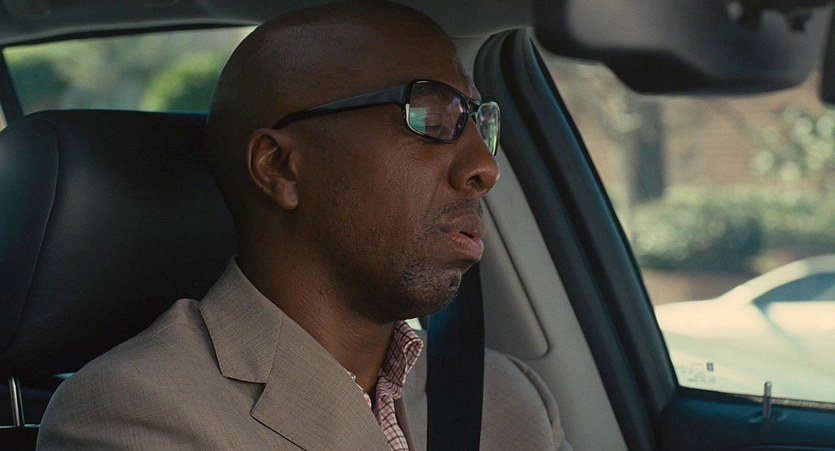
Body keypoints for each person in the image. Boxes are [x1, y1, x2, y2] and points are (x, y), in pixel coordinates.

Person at [38, 1, 570, 449]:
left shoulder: (508, 397)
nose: (486, 167)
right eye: (431, 116)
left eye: (479, 122)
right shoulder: (134, 412)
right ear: (280, 168)